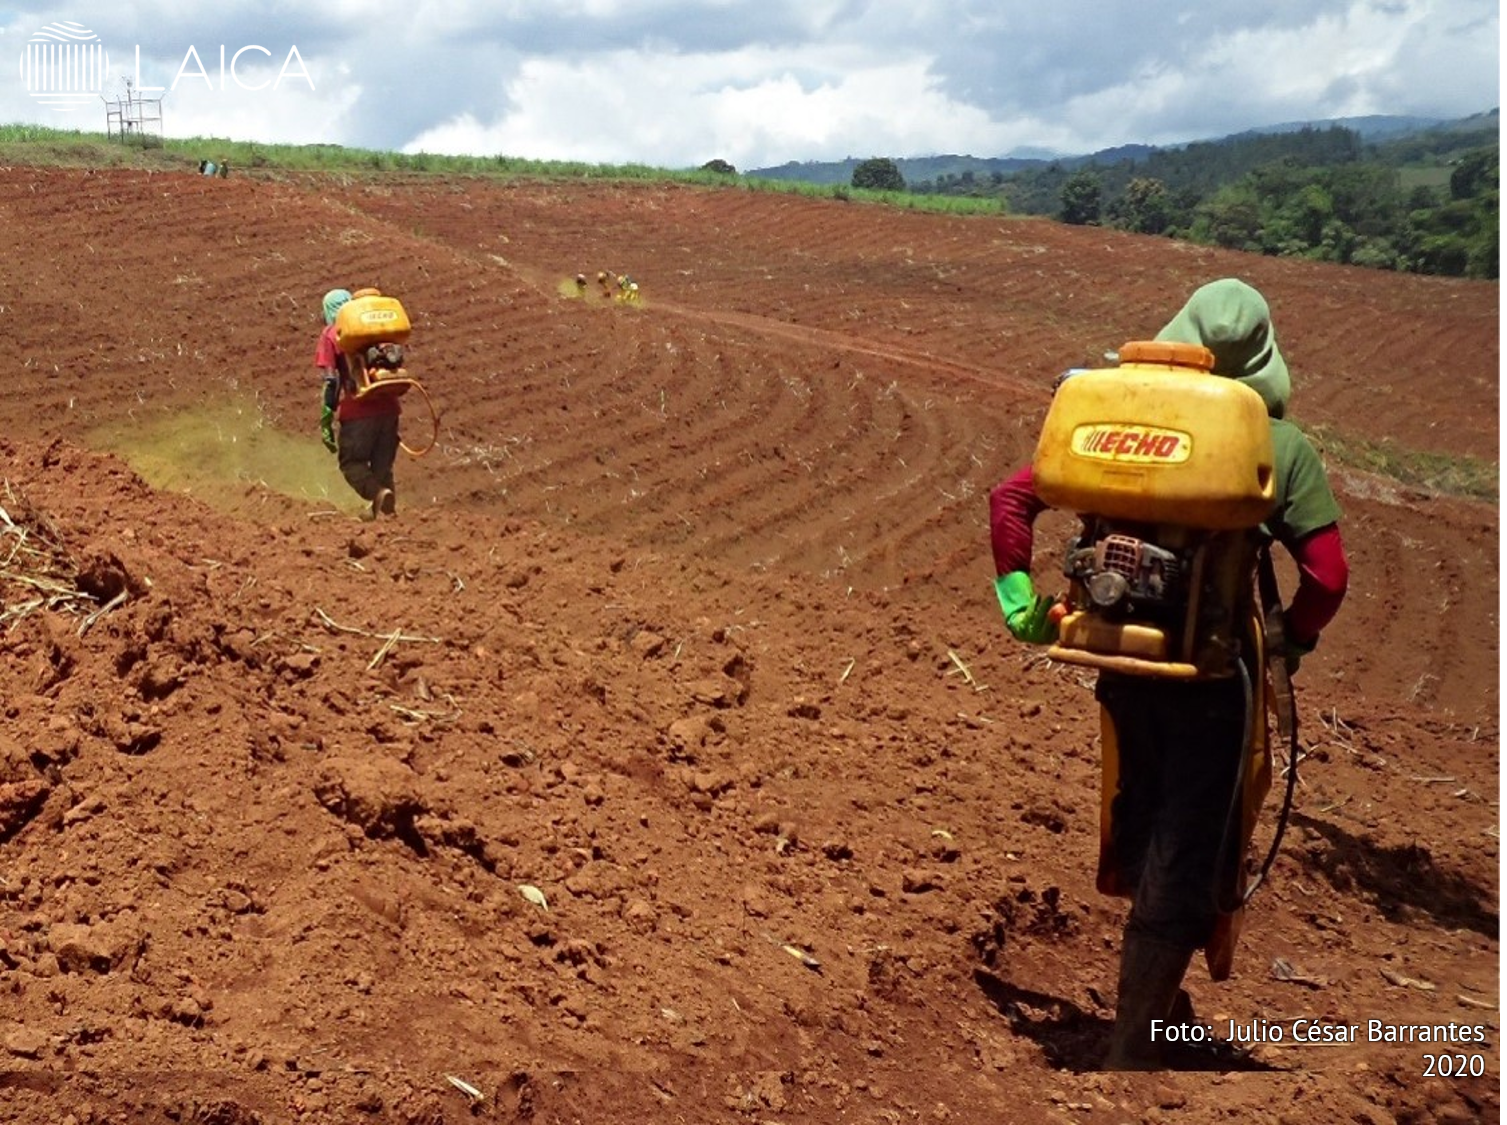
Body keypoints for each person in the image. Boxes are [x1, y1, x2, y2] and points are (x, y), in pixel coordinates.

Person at [988, 278, 1349, 1069]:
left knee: (1142, 809)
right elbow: (1325, 575)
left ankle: (1156, 1004)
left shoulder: (1115, 415)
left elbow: (1010, 501)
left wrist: (1021, 602)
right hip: (1214, 679)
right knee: (1192, 841)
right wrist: (1290, 638)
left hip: (1117, 658)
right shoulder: (1276, 445)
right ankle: (1131, 1047)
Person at [315, 288, 402, 520]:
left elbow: (332, 380)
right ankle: (388, 517)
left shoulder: (333, 334)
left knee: (352, 463)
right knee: (382, 468)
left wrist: (326, 418)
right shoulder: (375, 329)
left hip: (358, 412)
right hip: (390, 409)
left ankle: (378, 494)